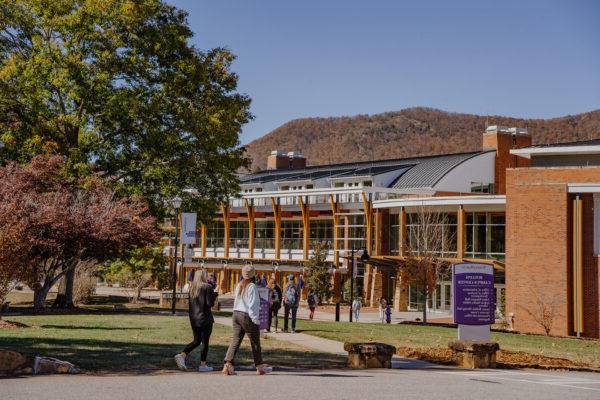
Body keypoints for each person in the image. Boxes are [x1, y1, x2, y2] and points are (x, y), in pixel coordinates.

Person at [222, 265, 272, 375]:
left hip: (236, 314)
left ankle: (228, 364)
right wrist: (256, 320)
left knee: (236, 340)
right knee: (255, 341)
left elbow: (237, 300)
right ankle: (259, 366)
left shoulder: (239, 285)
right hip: (246, 315)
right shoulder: (252, 286)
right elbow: (252, 304)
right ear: (253, 275)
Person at [174, 269, 217, 372]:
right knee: (205, 342)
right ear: (203, 276)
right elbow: (209, 303)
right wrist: (214, 296)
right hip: (205, 318)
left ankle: (182, 355)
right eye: (207, 275)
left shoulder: (192, 288)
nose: (208, 277)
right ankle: (203, 365)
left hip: (194, 318)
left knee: (197, 340)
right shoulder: (208, 287)